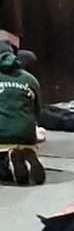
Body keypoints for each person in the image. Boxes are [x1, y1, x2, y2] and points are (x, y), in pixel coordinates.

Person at [0, 42, 45, 185]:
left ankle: (5, 167)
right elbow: (37, 110)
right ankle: (26, 150)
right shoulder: (30, 79)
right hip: (27, 134)